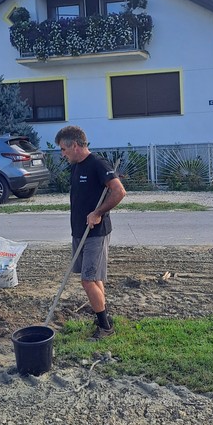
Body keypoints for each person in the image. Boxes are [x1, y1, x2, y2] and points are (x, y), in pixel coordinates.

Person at [55, 125, 126, 339]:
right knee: (94, 279)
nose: (62, 154)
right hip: (79, 230)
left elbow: (119, 191)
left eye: (63, 149)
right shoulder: (76, 166)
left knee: (87, 280)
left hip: (95, 232)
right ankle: (104, 317)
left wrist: (98, 212)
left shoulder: (97, 164)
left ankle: (105, 327)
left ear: (74, 145)